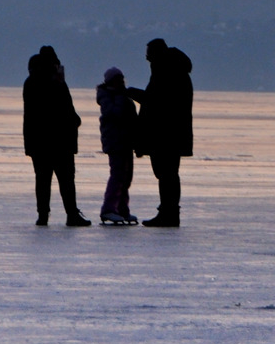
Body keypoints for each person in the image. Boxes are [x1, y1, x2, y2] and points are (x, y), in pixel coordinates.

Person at [128, 38, 193, 227]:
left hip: (164, 134)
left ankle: (168, 213)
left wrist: (131, 92)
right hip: (173, 133)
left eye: (149, 55)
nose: (147, 59)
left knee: (166, 174)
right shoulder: (177, 72)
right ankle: (169, 212)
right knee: (169, 174)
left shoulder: (165, 73)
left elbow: (155, 101)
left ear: (156, 54)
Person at [22, 47, 91, 227]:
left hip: (38, 142)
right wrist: (75, 120)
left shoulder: (31, 82)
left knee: (42, 180)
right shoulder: (56, 82)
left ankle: (43, 215)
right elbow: (63, 109)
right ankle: (71, 214)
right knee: (66, 180)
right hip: (60, 142)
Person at [96, 67, 138, 225]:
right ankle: (108, 209)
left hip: (126, 141)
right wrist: (121, 97)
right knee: (117, 175)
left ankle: (121, 208)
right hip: (115, 142)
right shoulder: (107, 96)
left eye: (122, 79)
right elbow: (114, 113)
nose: (121, 82)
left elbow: (132, 119)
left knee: (126, 178)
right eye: (117, 79)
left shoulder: (123, 96)